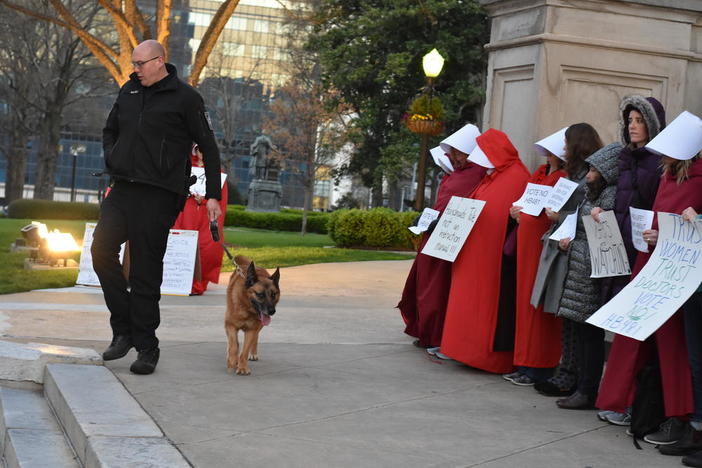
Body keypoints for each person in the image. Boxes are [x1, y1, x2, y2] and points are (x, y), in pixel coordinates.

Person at [92, 40, 222, 375]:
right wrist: (113, 155)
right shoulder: (129, 91)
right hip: (122, 188)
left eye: (139, 63)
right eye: (132, 64)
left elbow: (208, 145)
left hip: (160, 193)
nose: (134, 69)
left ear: (159, 61)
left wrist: (211, 196)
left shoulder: (186, 98)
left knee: (144, 271)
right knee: (101, 251)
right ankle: (123, 330)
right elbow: (110, 131)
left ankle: (147, 347)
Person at [594, 95, 666, 425]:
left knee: (638, 334)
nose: (632, 126)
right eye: (630, 120)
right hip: (622, 251)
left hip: (649, 254)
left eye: (639, 120)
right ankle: (617, 399)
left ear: (652, 124)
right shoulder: (626, 158)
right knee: (624, 331)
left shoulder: (659, 163)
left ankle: (633, 402)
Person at [440, 128, 530, 374]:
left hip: (494, 259)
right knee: (472, 306)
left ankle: (485, 357)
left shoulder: (516, 176)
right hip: (476, 255)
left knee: (489, 311)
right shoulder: (494, 176)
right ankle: (466, 351)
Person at [398, 124, 487, 350]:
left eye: (458, 152)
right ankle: (425, 330)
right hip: (433, 236)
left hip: (450, 240)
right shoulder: (456, 173)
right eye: (452, 153)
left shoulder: (477, 173)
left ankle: (436, 335)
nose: (454, 158)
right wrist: (425, 219)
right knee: (423, 286)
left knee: (437, 290)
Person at [530, 123, 603, 396]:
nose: (562, 149)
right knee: (566, 316)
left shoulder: (589, 177)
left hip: (577, 251)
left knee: (575, 319)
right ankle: (566, 372)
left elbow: (584, 213)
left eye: (566, 143)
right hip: (565, 249)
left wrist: (558, 217)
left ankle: (571, 376)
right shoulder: (575, 174)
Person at [554, 142, 622, 409]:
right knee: (582, 334)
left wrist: (578, 241)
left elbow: (607, 238)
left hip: (592, 274)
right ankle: (582, 387)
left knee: (590, 335)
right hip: (580, 270)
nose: (589, 172)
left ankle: (587, 389)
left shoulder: (608, 196)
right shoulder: (590, 193)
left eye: (593, 169)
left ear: (605, 172)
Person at [504, 129, 567, 386]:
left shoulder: (563, 176)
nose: (548, 155)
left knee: (538, 306)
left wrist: (525, 215)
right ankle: (524, 362)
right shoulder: (541, 172)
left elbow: (554, 211)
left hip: (541, 246)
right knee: (525, 304)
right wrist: (516, 211)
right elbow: (527, 200)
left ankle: (538, 365)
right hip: (526, 243)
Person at [172, 144, 229, 295]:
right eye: (199, 149)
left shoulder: (217, 173)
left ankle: (199, 281)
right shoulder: (185, 167)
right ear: (195, 150)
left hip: (206, 214)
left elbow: (220, 200)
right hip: (186, 212)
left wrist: (205, 200)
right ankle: (178, 279)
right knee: (182, 244)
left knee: (207, 247)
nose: (202, 153)